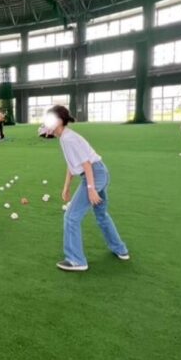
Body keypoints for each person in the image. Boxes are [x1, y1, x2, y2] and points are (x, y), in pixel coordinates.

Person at [43, 105, 129, 272]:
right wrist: (66, 187)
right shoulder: (65, 137)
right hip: (100, 173)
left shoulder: (68, 138)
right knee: (101, 214)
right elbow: (72, 165)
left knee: (71, 217)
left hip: (94, 174)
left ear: (59, 121)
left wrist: (91, 188)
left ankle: (76, 260)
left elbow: (86, 164)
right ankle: (120, 249)